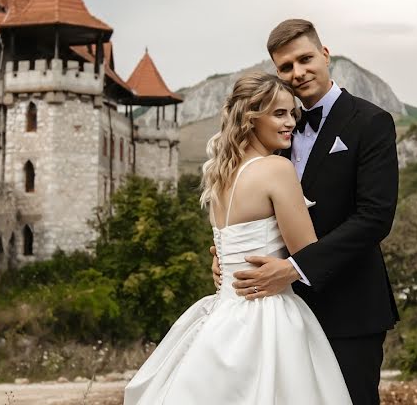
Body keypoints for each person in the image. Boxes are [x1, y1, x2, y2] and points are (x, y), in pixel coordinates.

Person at [124, 72, 353, 405]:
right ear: (250, 117)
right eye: (279, 113)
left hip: (223, 313)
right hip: (268, 314)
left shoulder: (220, 175)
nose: (290, 122)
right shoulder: (276, 169)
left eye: (292, 113)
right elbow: (307, 252)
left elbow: (226, 249)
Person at [215, 19, 400, 405]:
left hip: (348, 309)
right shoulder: (277, 131)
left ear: (325, 54)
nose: (297, 73)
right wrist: (227, 256)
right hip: (277, 314)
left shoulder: (371, 122)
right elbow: (254, 209)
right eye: (285, 67)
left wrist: (296, 269)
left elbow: (375, 217)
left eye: (305, 59)